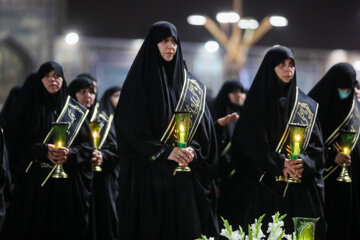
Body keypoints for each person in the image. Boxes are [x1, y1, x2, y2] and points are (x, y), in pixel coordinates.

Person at [114, 21, 218, 240]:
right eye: (164, 41)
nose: (170, 46)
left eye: (174, 41)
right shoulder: (139, 82)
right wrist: (165, 151)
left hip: (184, 179)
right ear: (153, 44)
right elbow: (129, 129)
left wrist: (192, 151)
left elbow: (203, 131)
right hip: (149, 177)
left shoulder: (192, 86)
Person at [231, 46, 326, 238]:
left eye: (291, 64)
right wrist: (280, 164)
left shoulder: (306, 105)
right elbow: (248, 147)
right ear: (270, 67)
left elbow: (317, 149)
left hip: (299, 192)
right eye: (281, 64)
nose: (288, 69)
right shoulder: (256, 103)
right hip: (265, 191)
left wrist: (302, 163)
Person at [0, 61, 93, 240]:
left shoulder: (73, 110)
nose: (53, 80)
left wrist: (70, 154)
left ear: (63, 79)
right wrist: (42, 150)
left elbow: (87, 147)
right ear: (40, 79)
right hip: (34, 186)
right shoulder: (28, 108)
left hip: (67, 186)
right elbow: (12, 143)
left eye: (57, 76)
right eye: (47, 76)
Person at [308, 62, 360, 239]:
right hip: (324, 182)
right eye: (342, 88)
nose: (345, 92)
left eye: (349, 88)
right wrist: (331, 156)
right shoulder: (314, 105)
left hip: (352, 179)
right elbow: (305, 144)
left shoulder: (356, 107)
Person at [69, 77, 120, 240]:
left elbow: (115, 150)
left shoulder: (102, 118)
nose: (88, 96)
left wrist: (102, 156)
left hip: (99, 183)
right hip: (74, 181)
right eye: (83, 92)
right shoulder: (67, 117)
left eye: (91, 92)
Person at [210, 80, 245, 223]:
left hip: (240, 181)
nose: (239, 95)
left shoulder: (245, 116)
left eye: (241, 92)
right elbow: (213, 150)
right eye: (234, 92)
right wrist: (215, 182)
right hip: (221, 179)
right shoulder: (217, 114)